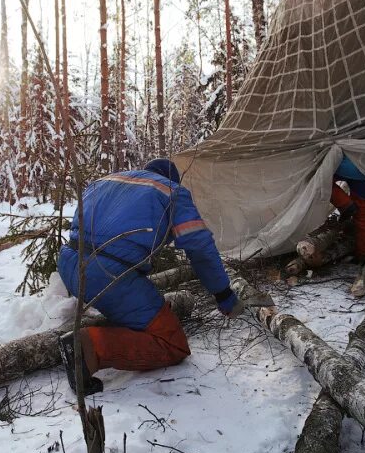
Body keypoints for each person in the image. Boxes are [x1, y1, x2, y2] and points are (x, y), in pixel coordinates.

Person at [57, 159, 244, 395]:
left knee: (139, 301)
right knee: (172, 343)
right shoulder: (172, 191)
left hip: (68, 263)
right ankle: (90, 347)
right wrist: (223, 294)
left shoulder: (106, 181)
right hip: (107, 275)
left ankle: (115, 327)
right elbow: (200, 247)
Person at [329, 155, 365, 261]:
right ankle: (363, 254)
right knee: (364, 214)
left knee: (317, 180)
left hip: (339, 165)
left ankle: (344, 203)